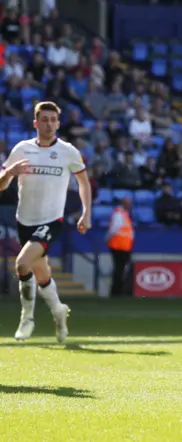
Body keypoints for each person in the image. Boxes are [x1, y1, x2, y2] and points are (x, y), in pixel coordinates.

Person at [0, 101, 92, 342]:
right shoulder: (21, 149)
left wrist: (86, 212)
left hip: (52, 220)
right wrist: (10, 173)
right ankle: (59, 312)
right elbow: (1, 185)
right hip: (25, 220)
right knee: (41, 273)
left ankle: (26, 318)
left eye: (53, 120)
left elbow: (83, 182)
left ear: (58, 123)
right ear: (35, 123)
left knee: (22, 264)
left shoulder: (68, 151)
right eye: (44, 120)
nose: (49, 124)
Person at [106, 196, 134, 296]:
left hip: (124, 246)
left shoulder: (124, 214)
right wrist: (107, 239)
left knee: (121, 269)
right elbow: (114, 229)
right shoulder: (119, 214)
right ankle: (116, 291)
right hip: (118, 246)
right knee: (119, 269)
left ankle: (119, 290)